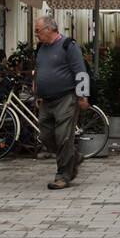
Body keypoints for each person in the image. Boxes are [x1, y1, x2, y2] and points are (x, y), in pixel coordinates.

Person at [33, 16, 90, 190]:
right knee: (45, 136)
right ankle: (73, 156)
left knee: (64, 137)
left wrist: (82, 97)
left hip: (66, 98)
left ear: (49, 29)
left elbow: (80, 70)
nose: (36, 34)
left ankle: (63, 175)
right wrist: (37, 92)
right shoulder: (41, 48)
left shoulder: (68, 46)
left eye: (38, 30)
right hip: (46, 100)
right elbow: (39, 70)